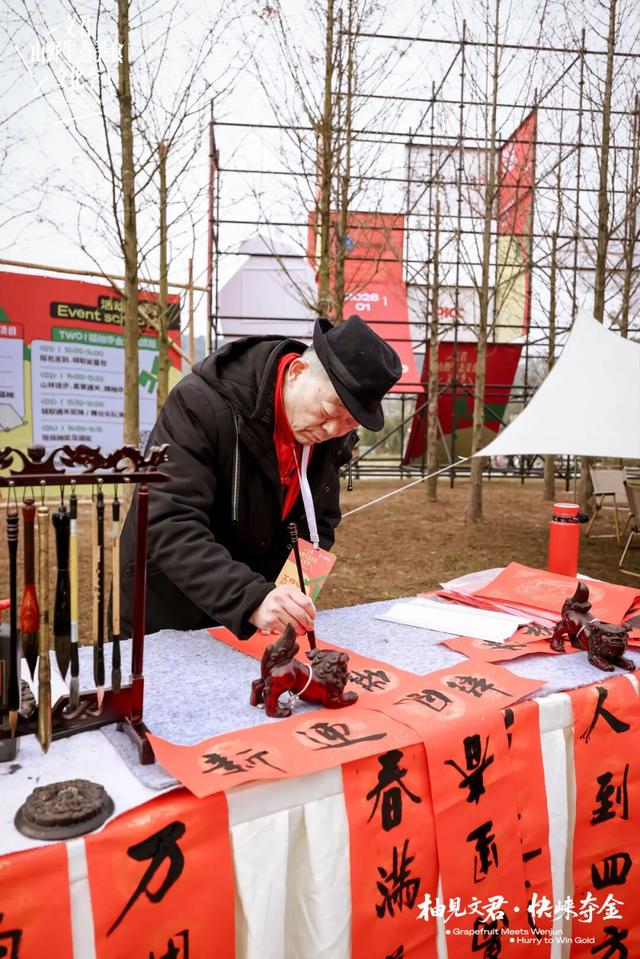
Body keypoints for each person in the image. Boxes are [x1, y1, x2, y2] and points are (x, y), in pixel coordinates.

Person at [119, 315, 401, 639]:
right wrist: (252, 598)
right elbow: (168, 520)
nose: (332, 431)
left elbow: (319, 522)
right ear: (297, 372)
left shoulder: (327, 437)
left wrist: (288, 596)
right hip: (169, 611)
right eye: (327, 412)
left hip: (254, 619)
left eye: (349, 424)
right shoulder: (200, 404)